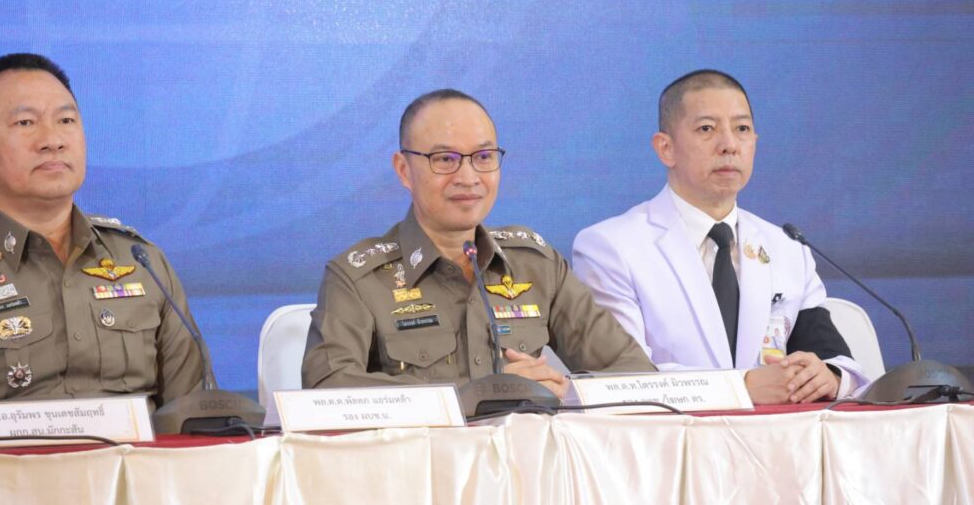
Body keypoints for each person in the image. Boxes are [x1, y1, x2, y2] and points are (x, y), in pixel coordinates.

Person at [303, 89, 654, 397]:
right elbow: (327, 389)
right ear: (403, 170)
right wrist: (473, 397)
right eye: (445, 160)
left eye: (484, 157)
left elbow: (634, 373)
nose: (468, 177)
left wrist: (559, 390)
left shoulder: (536, 264)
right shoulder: (358, 279)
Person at [572, 70, 868, 403]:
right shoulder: (610, 247)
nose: (729, 145)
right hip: (670, 433)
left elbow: (834, 359)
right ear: (666, 148)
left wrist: (828, 377)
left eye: (742, 129)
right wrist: (742, 388)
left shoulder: (787, 248)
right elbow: (620, 378)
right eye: (706, 129)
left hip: (776, 434)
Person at [0, 53, 205, 407]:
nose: (52, 140)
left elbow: (191, 417)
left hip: (135, 446)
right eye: (25, 122)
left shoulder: (141, 261)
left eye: (66, 120)